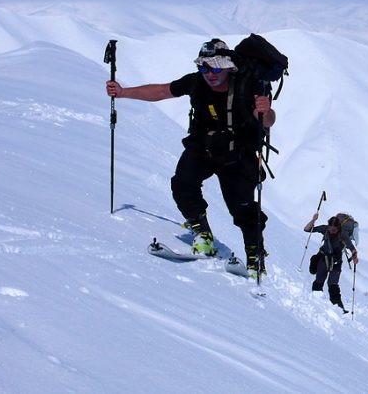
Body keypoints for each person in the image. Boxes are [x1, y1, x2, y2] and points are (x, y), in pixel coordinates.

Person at [105, 39, 275, 278]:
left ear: (228, 66)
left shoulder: (247, 86)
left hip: (238, 154)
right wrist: (123, 93)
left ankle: (255, 254)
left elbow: (266, 121)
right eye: (204, 68)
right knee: (183, 184)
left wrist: (265, 111)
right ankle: (201, 231)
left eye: (215, 68)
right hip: (202, 148)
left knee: (242, 209)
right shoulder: (195, 82)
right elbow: (162, 90)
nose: (210, 74)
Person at [304, 212, 359, 313]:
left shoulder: (343, 235)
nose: (332, 231)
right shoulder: (325, 229)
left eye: (335, 229)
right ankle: (315, 303)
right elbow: (307, 229)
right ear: (328, 226)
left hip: (336, 262)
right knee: (319, 280)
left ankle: (339, 308)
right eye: (330, 228)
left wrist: (355, 257)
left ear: (339, 228)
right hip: (324, 258)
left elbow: (352, 248)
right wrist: (313, 220)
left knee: (333, 284)